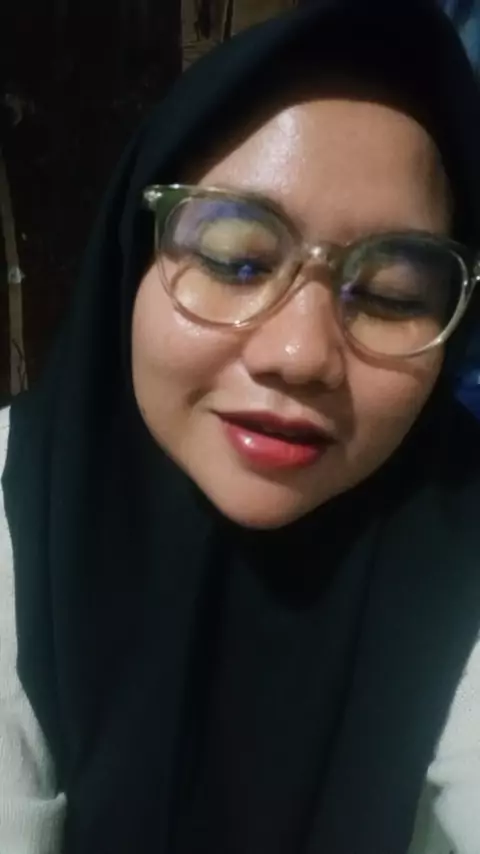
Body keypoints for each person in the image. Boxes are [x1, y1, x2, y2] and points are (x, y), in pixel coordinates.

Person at [1, 1, 480, 852]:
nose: (301, 354)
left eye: (392, 295)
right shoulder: (17, 508)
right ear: (132, 259)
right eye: (236, 259)